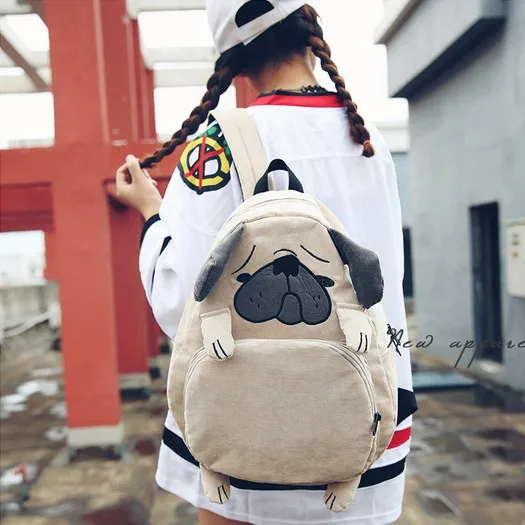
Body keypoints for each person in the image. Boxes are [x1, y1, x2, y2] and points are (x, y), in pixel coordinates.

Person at [115, 2, 417, 524]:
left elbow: (181, 300)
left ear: (233, 60)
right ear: (309, 29)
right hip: (366, 420)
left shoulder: (217, 145)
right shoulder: (369, 140)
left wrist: (150, 213)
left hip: (250, 424)